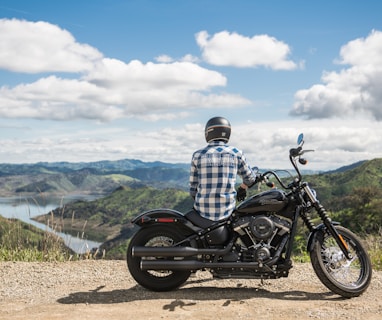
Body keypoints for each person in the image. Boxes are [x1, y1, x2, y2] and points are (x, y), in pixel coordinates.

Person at [189, 116, 258, 221]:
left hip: (201, 213)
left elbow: (193, 190)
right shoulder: (236, 153)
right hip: (227, 213)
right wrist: (243, 187)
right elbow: (250, 179)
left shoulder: (198, 155)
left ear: (209, 132)